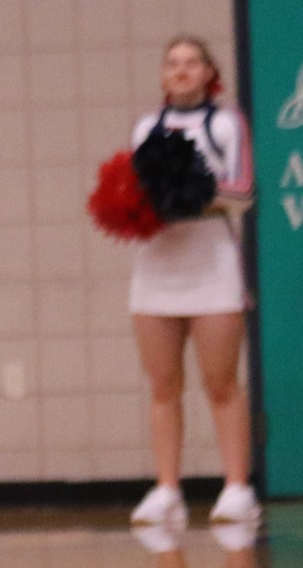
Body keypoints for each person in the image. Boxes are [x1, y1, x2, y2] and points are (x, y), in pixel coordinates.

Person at [128, 36, 257, 530]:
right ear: (163, 75)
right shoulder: (145, 127)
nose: (182, 71)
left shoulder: (226, 123)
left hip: (212, 264)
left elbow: (243, 191)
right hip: (157, 265)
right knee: (163, 385)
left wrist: (191, 192)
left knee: (221, 382)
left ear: (209, 72)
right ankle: (167, 490)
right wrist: (139, 201)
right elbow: (131, 188)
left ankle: (236, 488)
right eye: (173, 64)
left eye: (192, 63)